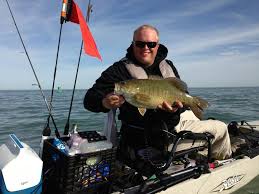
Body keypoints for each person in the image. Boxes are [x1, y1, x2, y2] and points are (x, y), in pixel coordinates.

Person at [84, 24, 232, 169]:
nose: (145, 48)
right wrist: (104, 102)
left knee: (219, 125)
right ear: (133, 44)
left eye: (151, 44)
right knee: (220, 128)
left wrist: (173, 111)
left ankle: (221, 164)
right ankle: (220, 161)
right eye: (140, 44)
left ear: (157, 45)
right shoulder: (118, 71)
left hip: (172, 127)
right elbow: (89, 99)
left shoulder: (167, 65)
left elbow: (180, 102)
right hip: (145, 140)